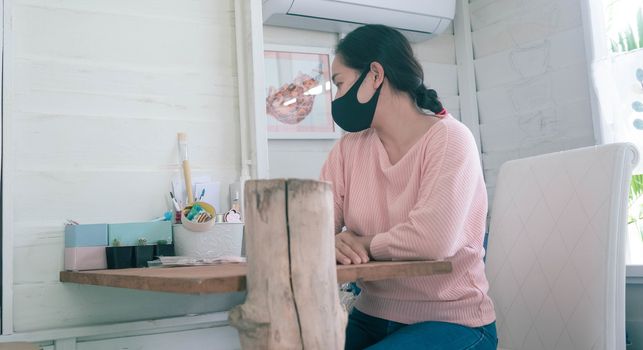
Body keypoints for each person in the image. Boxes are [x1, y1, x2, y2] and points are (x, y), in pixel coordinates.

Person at [320, 24, 497, 349]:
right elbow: (313, 229)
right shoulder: (348, 149)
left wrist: (360, 242)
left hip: (453, 320)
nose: (338, 97)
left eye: (340, 83)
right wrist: (329, 244)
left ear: (375, 75)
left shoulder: (450, 140)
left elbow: (431, 241)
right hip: (371, 315)